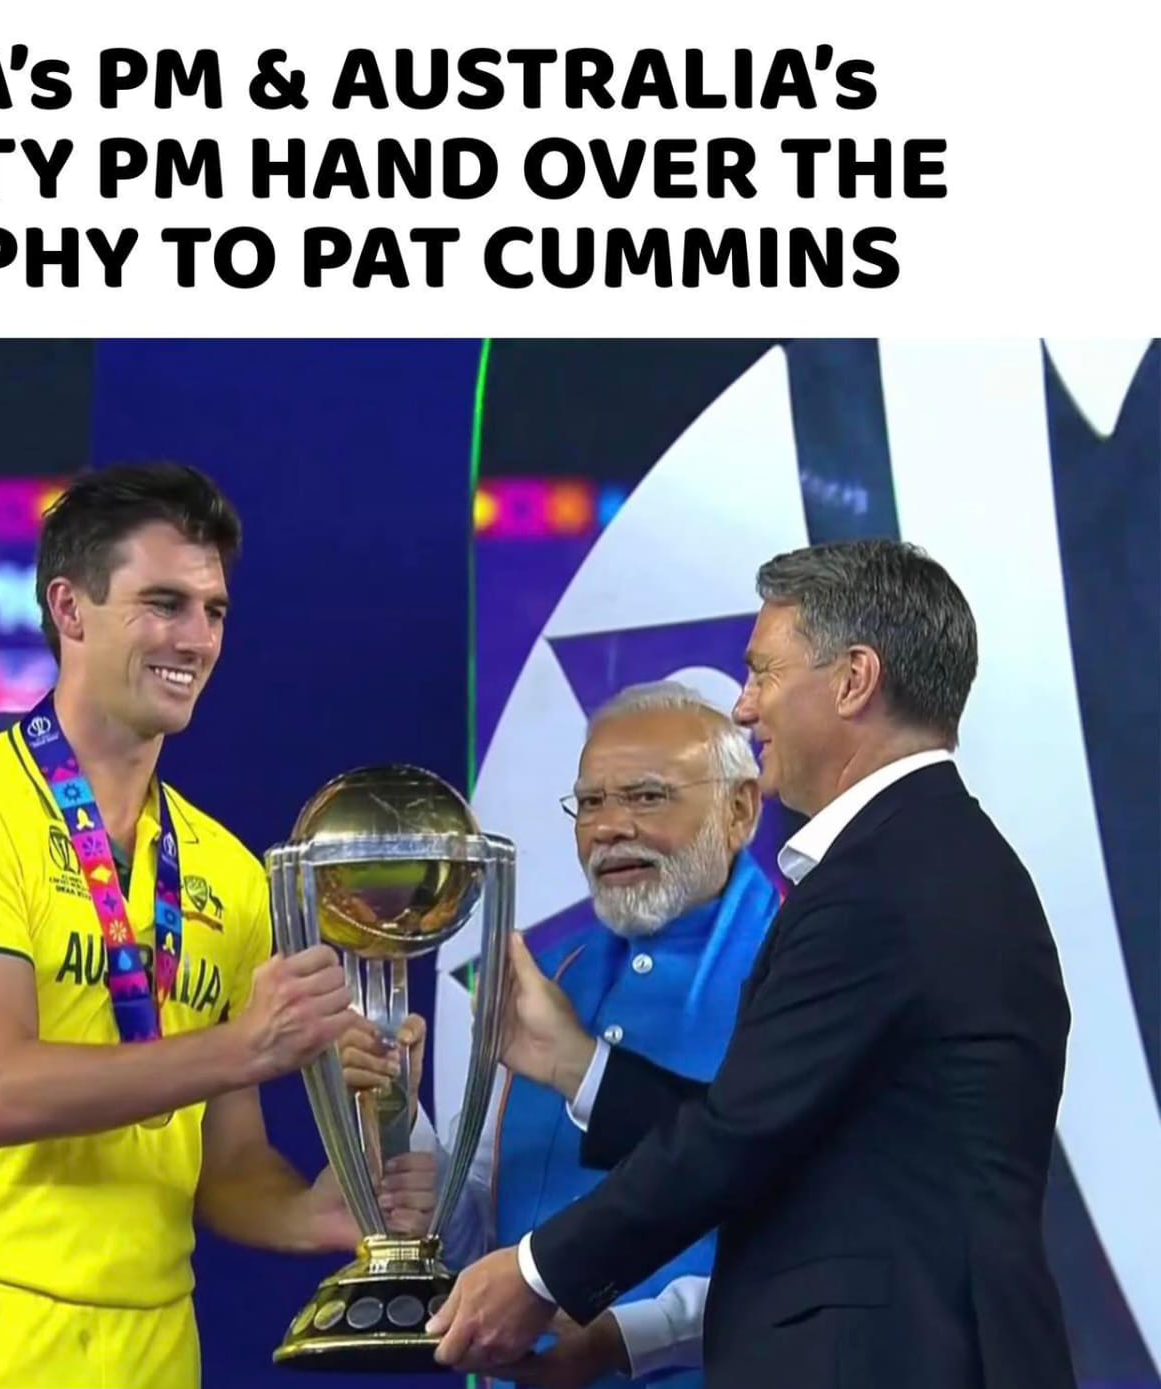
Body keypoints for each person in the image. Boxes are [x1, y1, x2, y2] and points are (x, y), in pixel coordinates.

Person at [427, 539, 1076, 1389]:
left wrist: (540, 1272)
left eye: (763, 673)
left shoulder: (885, 878)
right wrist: (574, 1068)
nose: (743, 707)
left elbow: (741, 1136)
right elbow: (791, 1140)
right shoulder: (926, 855)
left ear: (852, 680)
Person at [0, 463, 436, 1389]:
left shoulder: (228, 873)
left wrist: (325, 1211)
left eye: (215, 611)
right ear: (70, 609)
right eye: (164, 603)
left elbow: (226, 1165)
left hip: (156, 1341)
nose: (196, 638)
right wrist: (247, 1046)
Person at [345, 681, 778, 1387]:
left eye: (646, 796)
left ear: (740, 810)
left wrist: (625, 1338)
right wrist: (398, 1112)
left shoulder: (796, 963)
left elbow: (828, 1225)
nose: (609, 827)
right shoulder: (550, 969)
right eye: (592, 802)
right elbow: (469, 1230)